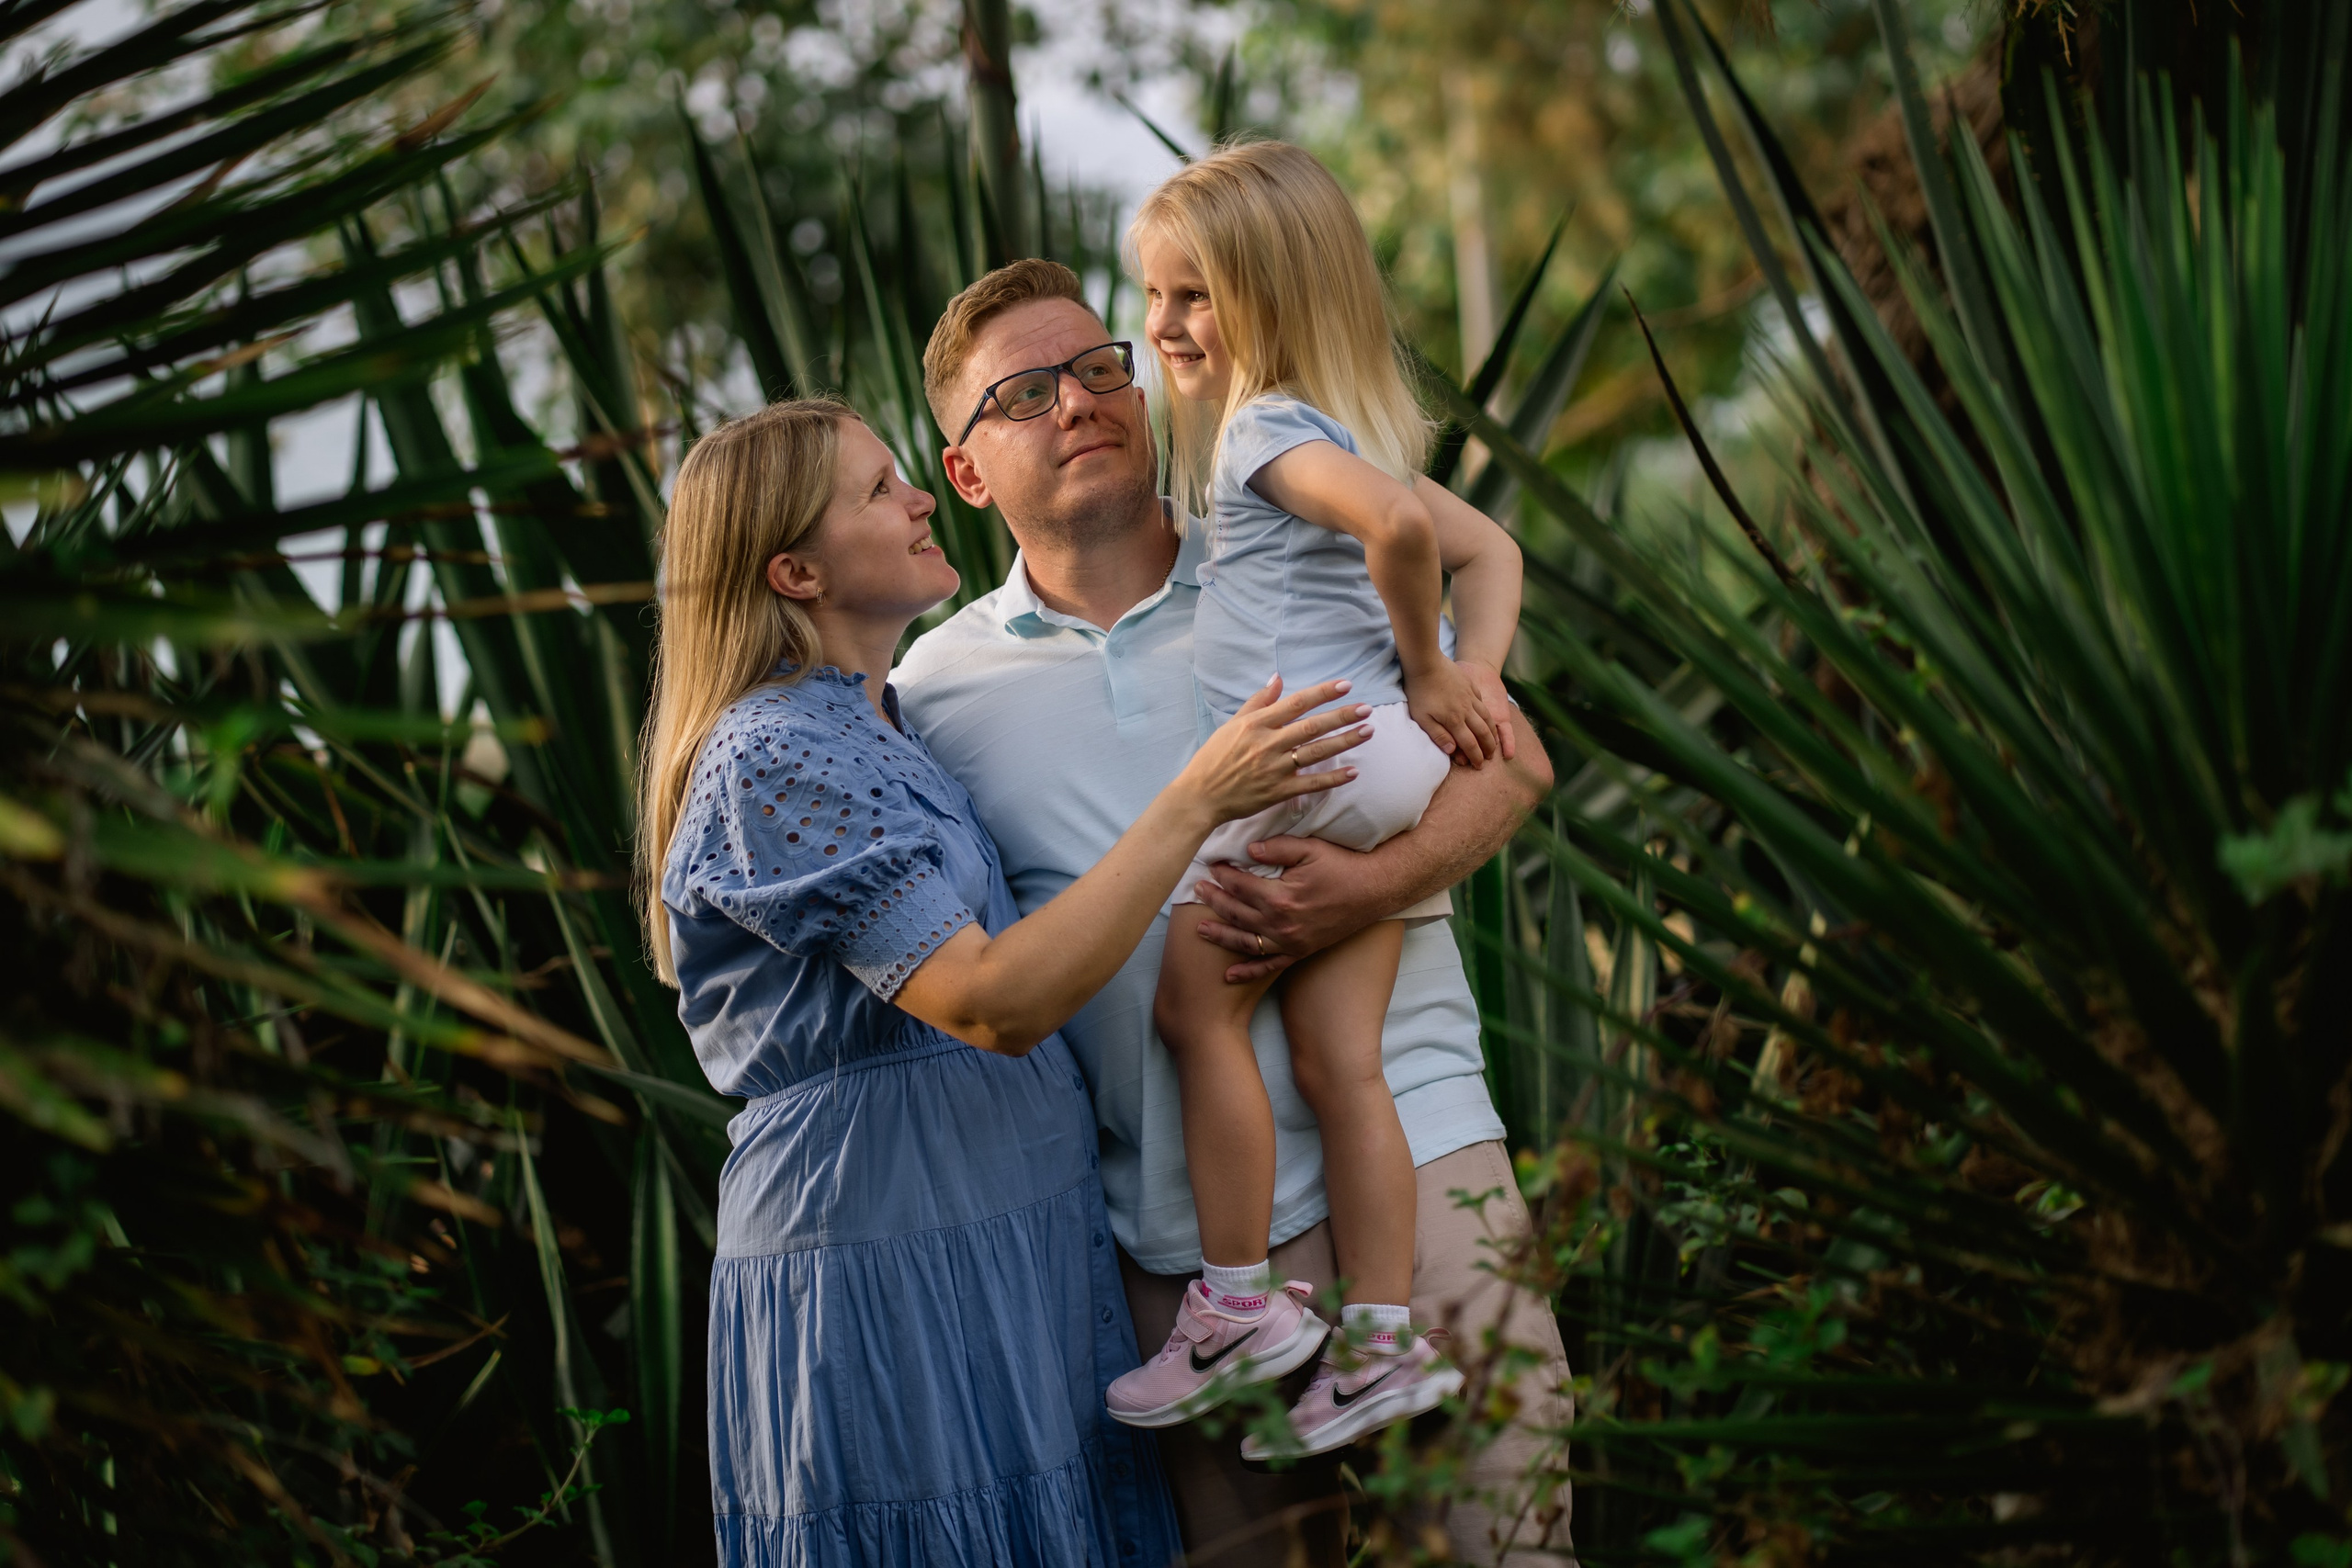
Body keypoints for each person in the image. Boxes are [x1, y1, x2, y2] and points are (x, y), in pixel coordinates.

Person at [896, 259, 1576, 1563]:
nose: (1078, 402)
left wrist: (1365, 888)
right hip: (1187, 1248)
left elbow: (1516, 766)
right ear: (967, 471)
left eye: (1100, 367)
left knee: (1510, 1549)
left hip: (1421, 1164)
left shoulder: (1288, 549)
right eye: (1025, 393)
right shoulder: (933, 692)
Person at [639, 396, 1378, 1566]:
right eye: (879, 489)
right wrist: (1197, 798)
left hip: (1000, 1244)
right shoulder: (771, 749)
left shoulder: (885, 726)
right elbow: (990, 1000)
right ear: (794, 568)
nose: (921, 497)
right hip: (891, 1262)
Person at [1107, 139, 1528, 1459]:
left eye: (1196, 295)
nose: (1165, 325)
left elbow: (1407, 539)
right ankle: (1387, 1340)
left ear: (1275, 296)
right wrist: (1470, 684)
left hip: (1307, 759)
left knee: (1193, 1005)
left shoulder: (1265, 431)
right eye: (1157, 294)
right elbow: (1491, 546)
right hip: (1384, 771)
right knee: (1348, 1063)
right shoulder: (1349, 427)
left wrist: (1428, 667)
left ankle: (1236, 1302)